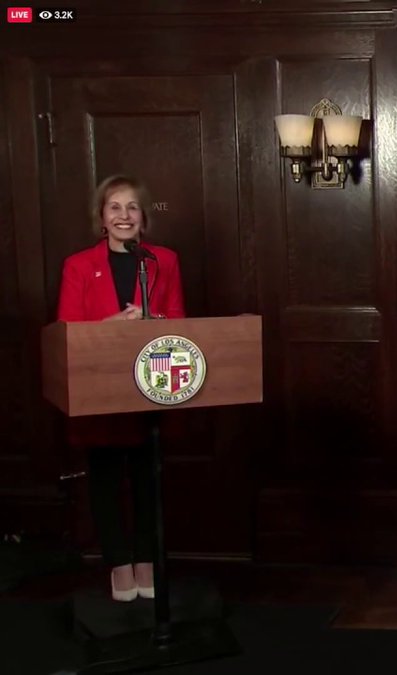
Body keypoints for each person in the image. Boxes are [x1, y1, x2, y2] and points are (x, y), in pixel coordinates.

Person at [56, 174, 185, 601]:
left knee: (148, 478)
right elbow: (68, 329)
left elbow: (179, 322)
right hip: (100, 388)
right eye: (115, 208)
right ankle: (118, 564)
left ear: (143, 219)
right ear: (102, 218)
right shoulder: (78, 265)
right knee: (106, 479)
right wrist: (116, 325)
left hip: (150, 383)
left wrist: (157, 323)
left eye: (132, 208)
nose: (124, 216)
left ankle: (147, 559)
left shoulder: (163, 260)